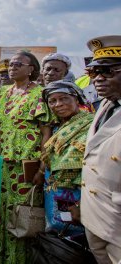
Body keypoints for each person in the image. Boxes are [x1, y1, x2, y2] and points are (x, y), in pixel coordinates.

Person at [0, 51, 52, 264]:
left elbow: (46, 133)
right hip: (4, 164)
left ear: (31, 69)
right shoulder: (1, 93)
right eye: (10, 64)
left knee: (23, 215)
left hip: (27, 166)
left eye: (19, 64)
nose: (12, 67)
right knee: (3, 213)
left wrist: (41, 168)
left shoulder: (40, 93)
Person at [81, 35, 121, 263]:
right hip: (95, 216)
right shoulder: (105, 105)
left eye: (107, 72)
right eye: (94, 73)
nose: (98, 79)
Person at [41, 81, 93, 238]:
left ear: (76, 99)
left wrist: (80, 204)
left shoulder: (91, 124)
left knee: (80, 235)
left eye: (64, 99)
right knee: (58, 231)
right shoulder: (55, 127)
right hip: (55, 191)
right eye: (52, 101)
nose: (58, 104)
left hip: (80, 193)